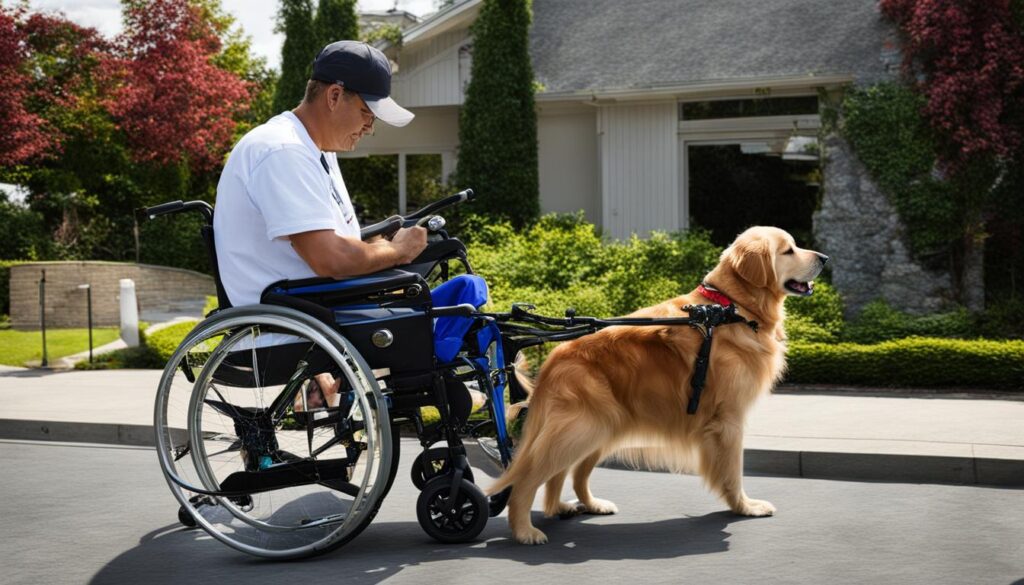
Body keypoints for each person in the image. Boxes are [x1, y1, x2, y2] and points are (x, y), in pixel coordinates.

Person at [213, 41, 427, 411]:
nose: (369, 127)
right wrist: (397, 250)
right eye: (366, 112)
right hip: (287, 317)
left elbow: (340, 242)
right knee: (441, 305)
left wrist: (381, 245)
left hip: (309, 302)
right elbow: (330, 258)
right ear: (334, 96)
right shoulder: (283, 151)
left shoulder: (315, 150)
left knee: (450, 288)